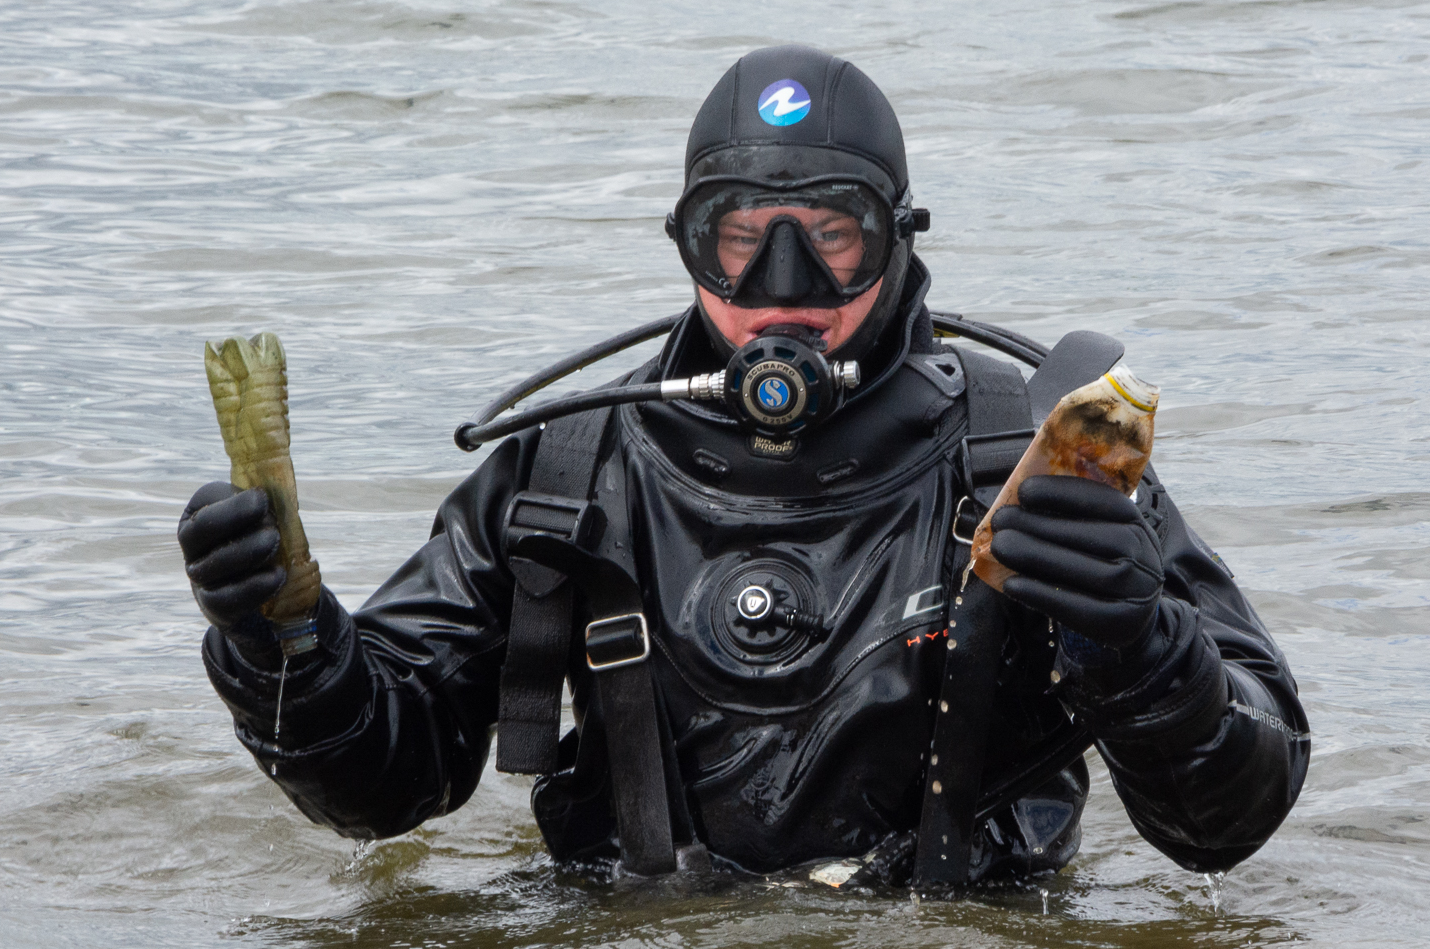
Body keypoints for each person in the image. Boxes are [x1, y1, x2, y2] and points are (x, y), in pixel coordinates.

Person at [177, 44, 1307, 887]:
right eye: (737, 233)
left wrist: (1139, 639)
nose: (782, 280)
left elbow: (1230, 822)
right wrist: (280, 636)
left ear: (898, 235)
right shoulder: (567, 470)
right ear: (686, 241)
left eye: (833, 232)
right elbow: (383, 788)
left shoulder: (1037, 461)